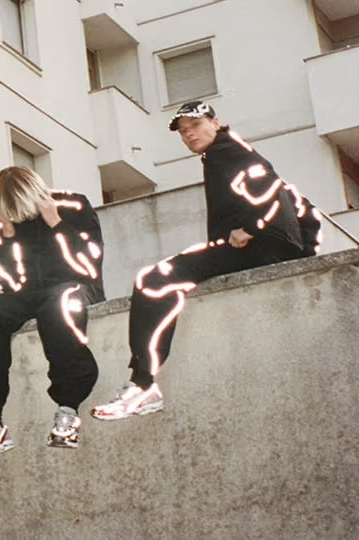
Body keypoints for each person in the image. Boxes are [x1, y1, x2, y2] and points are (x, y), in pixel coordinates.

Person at [91, 100, 322, 422]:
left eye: (196, 125)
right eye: (183, 131)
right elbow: (296, 200)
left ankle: (142, 385)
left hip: (259, 250)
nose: (189, 134)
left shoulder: (230, 153)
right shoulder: (221, 154)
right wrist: (305, 249)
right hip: (262, 249)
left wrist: (253, 228)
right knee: (163, 279)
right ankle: (143, 384)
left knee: (153, 281)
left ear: (215, 122)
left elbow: (271, 190)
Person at [0, 167, 105, 462]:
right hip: (29, 293)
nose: (21, 216)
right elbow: (9, 285)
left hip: (75, 285)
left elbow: (88, 264)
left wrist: (56, 223)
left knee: (56, 310)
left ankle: (68, 409)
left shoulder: (73, 205)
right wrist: (9, 238)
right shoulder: (6, 222)